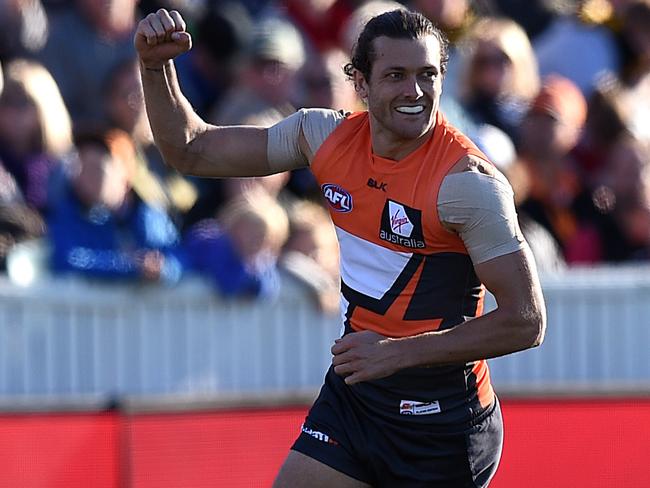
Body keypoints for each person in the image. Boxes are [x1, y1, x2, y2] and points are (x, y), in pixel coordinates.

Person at [135, 8, 546, 487]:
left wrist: (397, 352)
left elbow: (526, 321)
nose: (414, 92)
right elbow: (191, 149)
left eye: (426, 75)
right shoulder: (322, 136)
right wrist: (154, 67)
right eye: (395, 75)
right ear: (361, 83)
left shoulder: (468, 183)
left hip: (444, 424)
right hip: (357, 398)